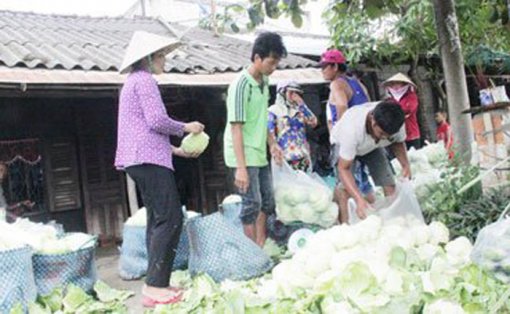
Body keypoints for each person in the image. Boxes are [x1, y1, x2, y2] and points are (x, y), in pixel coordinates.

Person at [115, 31, 205, 308]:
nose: (165, 60)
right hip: (147, 160)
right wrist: (186, 127)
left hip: (141, 158)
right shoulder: (145, 81)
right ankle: (155, 286)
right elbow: (156, 120)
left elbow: (142, 129)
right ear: (150, 58)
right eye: (162, 55)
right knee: (171, 218)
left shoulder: (132, 82)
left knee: (158, 219)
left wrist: (176, 150)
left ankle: (156, 283)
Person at [223, 32, 287, 247]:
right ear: (257, 58)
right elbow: (236, 128)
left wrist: (272, 143)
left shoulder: (265, 81)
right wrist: (241, 168)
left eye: (277, 62)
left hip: (259, 151)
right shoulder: (241, 85)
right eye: (271, 62)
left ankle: (260, 248)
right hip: (242, 153)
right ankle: (250, 253)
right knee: (252, 204)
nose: (274, 67)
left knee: (267, 202)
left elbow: (261, 118)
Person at [330, 100, 412, 221]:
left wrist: (406, 165)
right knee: (344, 190)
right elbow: (343, 168)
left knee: (388, 181)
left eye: (388, 136)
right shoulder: (352, 129)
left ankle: (394, 219)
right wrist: (359, 200)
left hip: (372, 146)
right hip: (343, 145)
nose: (385, 138)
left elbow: (398, 142)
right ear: (373, 121)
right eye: (382, 133)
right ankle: (345, 226)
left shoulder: (396, 123)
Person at [320, 49, 375, 223]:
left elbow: (342, 107)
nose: (322, 70)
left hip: (347, 141)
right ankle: (371, 217)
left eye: (324, 66)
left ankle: (347, 225)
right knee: (363, 182)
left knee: (344, 186)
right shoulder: (358, 83)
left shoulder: (337, 84)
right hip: (364, 139)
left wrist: (341, 134)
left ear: (335, 66)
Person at [268, 81, 317, 172]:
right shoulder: (273, 111)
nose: (293, 96)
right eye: (290, 92)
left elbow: (313, 122)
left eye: (296, 93)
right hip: (284, 156)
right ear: (282, 93)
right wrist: (275, 152)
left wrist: (301, 104)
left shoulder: (299, 110)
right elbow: (270, 134)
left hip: (302, 155)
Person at [383, 73, 421, 150]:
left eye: (398, 83)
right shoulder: (389, 100)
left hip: (411, 133)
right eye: (393, 84)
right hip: (395, 135)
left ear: (404, 84)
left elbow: (408, 109)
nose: (395, 86)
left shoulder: (411, 97)